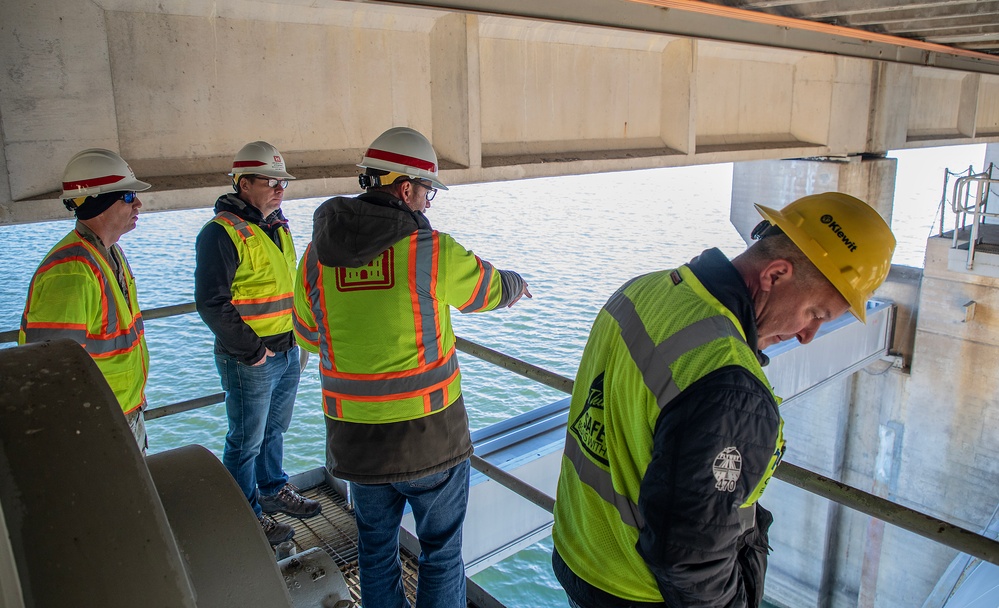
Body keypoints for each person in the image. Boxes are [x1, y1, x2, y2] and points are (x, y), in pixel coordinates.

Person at [551, 192, 896, 608]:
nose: (807, 336)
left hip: (580, 554)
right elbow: (691, 559)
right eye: (816, 314)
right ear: (776, 274)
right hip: (637, 592)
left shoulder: (645, 289)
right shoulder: (729, 384)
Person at [293, 126, 532, 607]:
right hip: (430, 438)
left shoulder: (316, 257)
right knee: (441, 553)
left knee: (375, 547)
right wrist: (517, 283)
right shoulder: (430, 250)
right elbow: (487, 289)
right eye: (428, 192)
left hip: (355, 438)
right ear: (405, 188)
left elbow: (306, 331)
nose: (428, 203)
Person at [194, 140, 321, 546]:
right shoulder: (221, 234)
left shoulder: (276, 224)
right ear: (243, 183)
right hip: (251, 357)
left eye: (283, 181)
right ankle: (247, 513)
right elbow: (211, 301)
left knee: (275, 430)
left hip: (287, 348)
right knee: (245, 440)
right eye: (271, 181)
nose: (280, 188)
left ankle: (272, 488)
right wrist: (252, 351)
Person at [20, 149, 152, 452]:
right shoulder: (72, 273)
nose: (138, 204)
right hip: (98, 424)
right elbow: (51, 371)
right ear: (100, 205)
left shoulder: (109, 253)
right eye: (129, 196)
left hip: (121, 412)